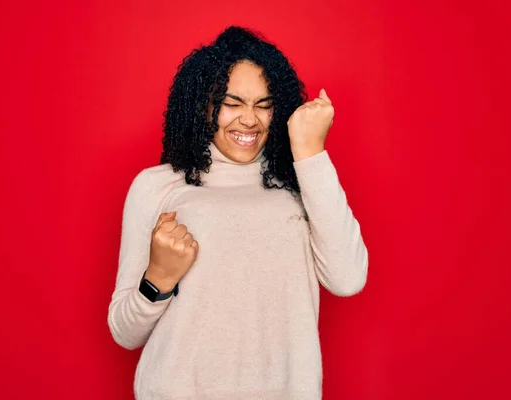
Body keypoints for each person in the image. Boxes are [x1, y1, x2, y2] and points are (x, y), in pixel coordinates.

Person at [107, 26, 368, 399]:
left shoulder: (301, 183)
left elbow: (348, 279)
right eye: (232, 103)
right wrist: (159, 278)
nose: (250, 120)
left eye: (264, 105)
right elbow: (124, 332)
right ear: (204, 104)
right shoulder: (157, 186)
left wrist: (311, 152)